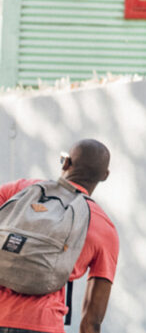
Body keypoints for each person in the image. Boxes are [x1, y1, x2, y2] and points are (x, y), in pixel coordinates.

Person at [0, 139, 119, 333]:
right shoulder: (104, 227)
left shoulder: (21, 190)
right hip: (43, 324)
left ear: (66, 163)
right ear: (105, 176)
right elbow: (92, 320)